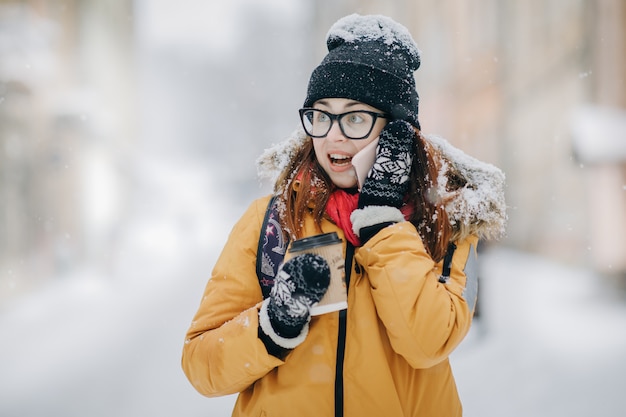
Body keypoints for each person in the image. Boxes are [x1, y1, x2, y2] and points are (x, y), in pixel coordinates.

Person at [181, 13, 506, 417]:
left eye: (355, 117)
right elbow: (201, 366)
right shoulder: (274, 220)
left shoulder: (444, 225)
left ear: (397, 132)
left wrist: (384, 222)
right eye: (321, 115)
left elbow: (428, 343)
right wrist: (274, 324)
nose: (332, 134)